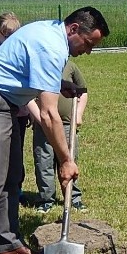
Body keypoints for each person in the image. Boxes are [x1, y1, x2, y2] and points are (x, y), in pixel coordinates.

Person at [0, 7, 109, 254]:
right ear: (74, 29)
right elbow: (49, 115)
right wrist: (65, 159)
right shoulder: (51, 46)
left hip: (5, 103)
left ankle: (8, 241)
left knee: (12, 177)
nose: (88, 52)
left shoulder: (50, 34)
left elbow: (24, 69)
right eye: (88, 44)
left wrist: (58, 83)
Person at [29, 60, 88, 213]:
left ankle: (73, 197)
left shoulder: (70, 66)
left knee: (69, 160)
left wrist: (79, 114)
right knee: (44, 161)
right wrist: (41, 120)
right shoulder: (38, 66)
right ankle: (46, 199)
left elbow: (83, 91)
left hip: (67, 125)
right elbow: (29, 97)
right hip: (43, 127)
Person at [0, 12, 29, 203]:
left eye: (15, 35)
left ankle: (16, 187)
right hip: (0, 115)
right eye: (7, 35)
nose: (11, 39)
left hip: (20, 114)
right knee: (1, 155)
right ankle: (1, 191)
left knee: (17, 154)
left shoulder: (21, 56)